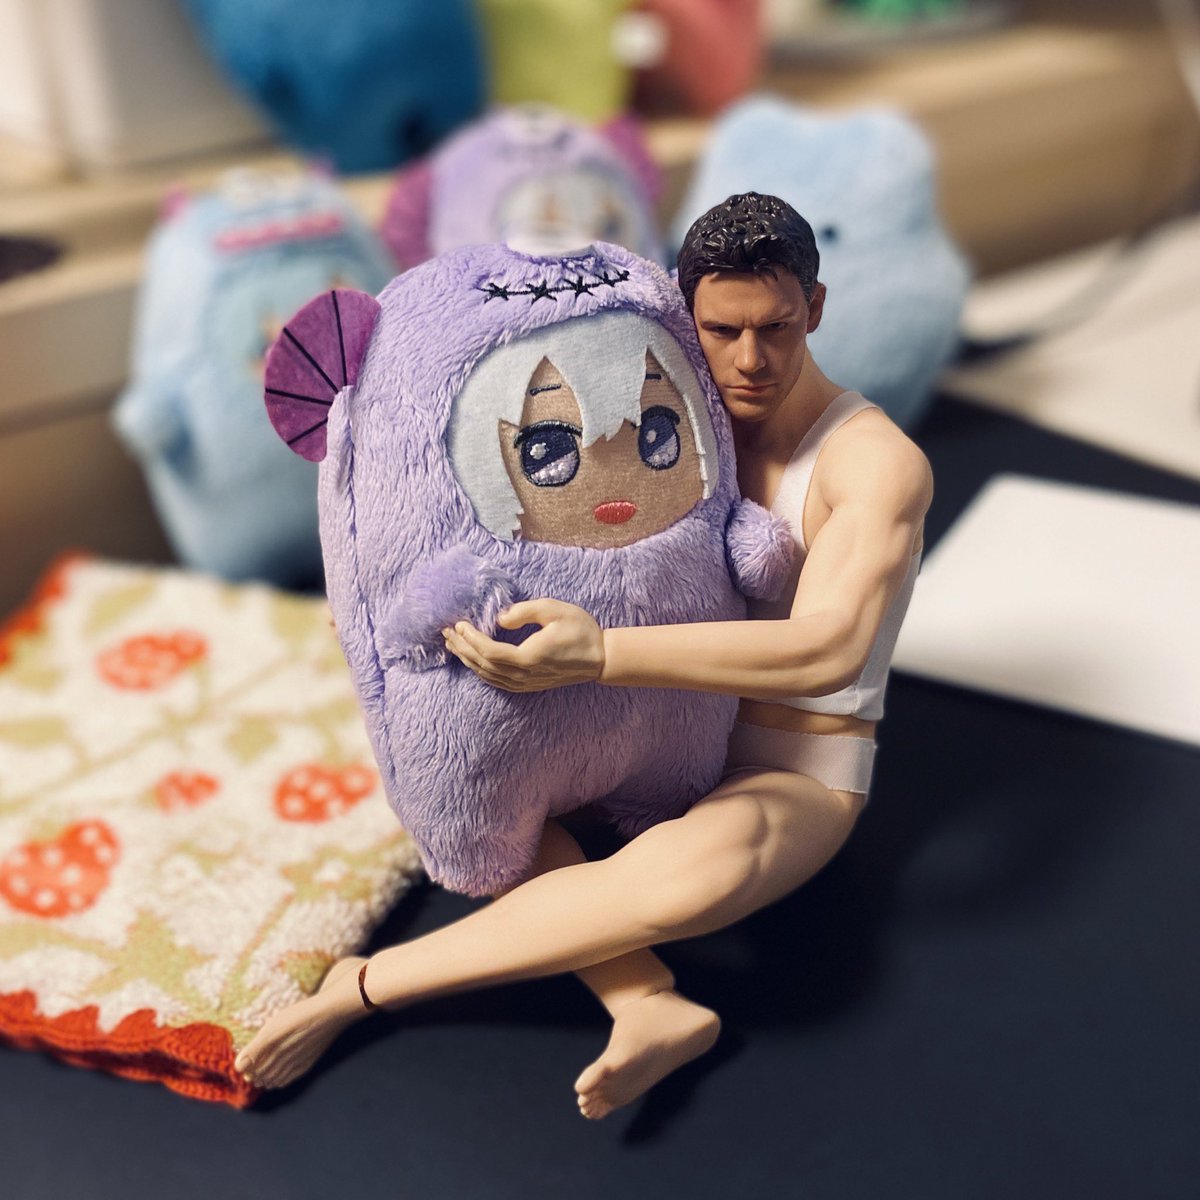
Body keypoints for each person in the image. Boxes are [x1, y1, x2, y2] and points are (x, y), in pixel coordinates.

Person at [236, 192, 932, 1119]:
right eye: (721, 331)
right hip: (632, 722)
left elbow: (828, 649)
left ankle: (364, 987)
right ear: (684, 310)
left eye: (776, 328)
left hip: (789, 765)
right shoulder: (676, 396)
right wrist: (377, 600)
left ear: (816, 307)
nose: (748, 360)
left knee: (699, 876)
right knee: (499, 796)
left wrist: (601, 654)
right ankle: (645, 1002)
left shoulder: (873, 463)